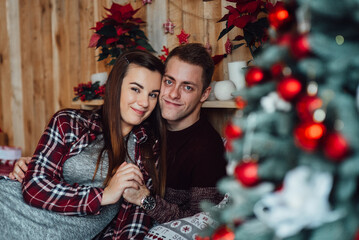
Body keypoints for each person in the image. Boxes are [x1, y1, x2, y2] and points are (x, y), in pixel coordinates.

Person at [10, 43, 227, 225]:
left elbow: (201, 222)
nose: (172, 94)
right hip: (21, 205)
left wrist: (146, 200)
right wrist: (40, 163)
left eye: (187, 87)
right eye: (168, 82)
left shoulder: (202, 148)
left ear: (204, 94)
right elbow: (43, 179)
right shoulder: (142, 124)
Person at [1, 49, 166, 239]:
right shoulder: (70, 122)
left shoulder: (146, 148)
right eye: (136, 89)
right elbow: (34, 187)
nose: (144, 102)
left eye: (153, 94)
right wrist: (103, 196)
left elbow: (134, 219)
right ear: (116, 87)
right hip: (9, 209)